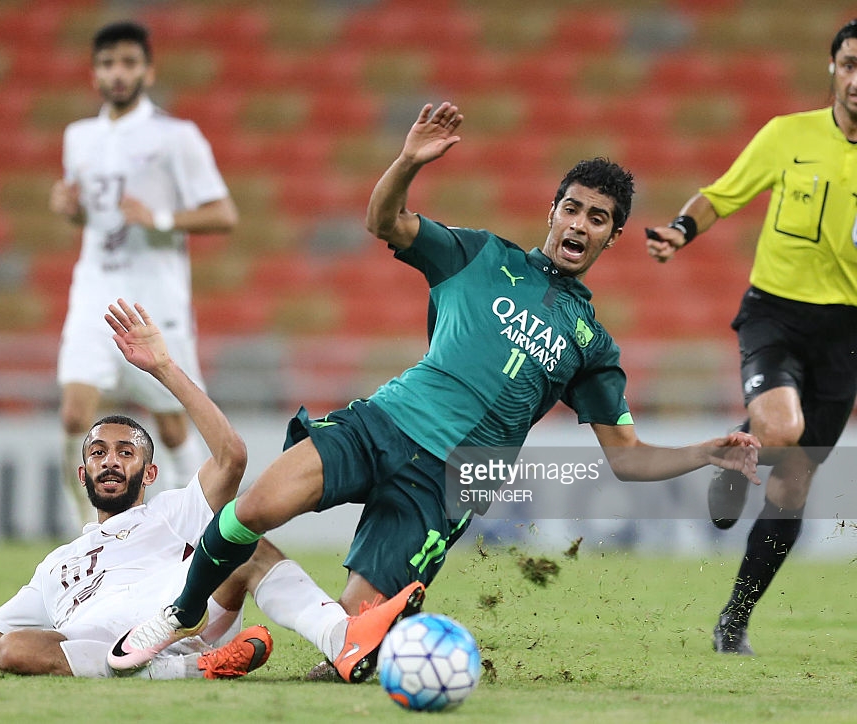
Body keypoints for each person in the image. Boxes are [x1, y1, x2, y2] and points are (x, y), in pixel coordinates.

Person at [106, 102, 762, 684]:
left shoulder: (593, 343)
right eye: (572, 208)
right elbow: (383, 220)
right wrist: (409, 162)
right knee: (253, 509)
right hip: (386, 423)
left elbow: (627, 457)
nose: (580, 224)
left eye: (598, 218)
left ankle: (311, 649)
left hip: (452, 481)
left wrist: (706, 452)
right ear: (553, 211)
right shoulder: (480, 255)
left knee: (349, 647)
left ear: (612, 236)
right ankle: (182, 612)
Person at [0, 301, 269, 679]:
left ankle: (306, 633)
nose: (110, 461)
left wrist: (163, 368)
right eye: (98, 453)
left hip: (171, 628)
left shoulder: (173, 513)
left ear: (150, 473)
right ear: (82, 475)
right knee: (15, 648)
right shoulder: (56, 566)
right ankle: (196, 669)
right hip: (96, 649)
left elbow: (231, 457)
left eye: (125, 452)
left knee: (241, 541)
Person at [644, 19, 857, 656]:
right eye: (851, 64)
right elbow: (721, 195)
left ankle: (734, 620)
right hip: (776, 314)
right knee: (783, 430)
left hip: (845, 333)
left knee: (793, 482)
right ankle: (744, 444)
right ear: (833, 68)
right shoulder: (788, 135)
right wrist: (681, 230)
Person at [49, 21, 238, 523]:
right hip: (94, 287)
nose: (118, 73)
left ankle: (186, 527)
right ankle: (87, 531)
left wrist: (159, 219)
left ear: (148, 71)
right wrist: (70, 210)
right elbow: (91, 214)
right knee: (73, 413)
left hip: (156, 295)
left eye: (129, 63)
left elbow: (223, 213)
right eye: (108, 63)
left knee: (173, 427)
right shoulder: (79, 137)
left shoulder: (176, 137)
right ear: (94, 74)